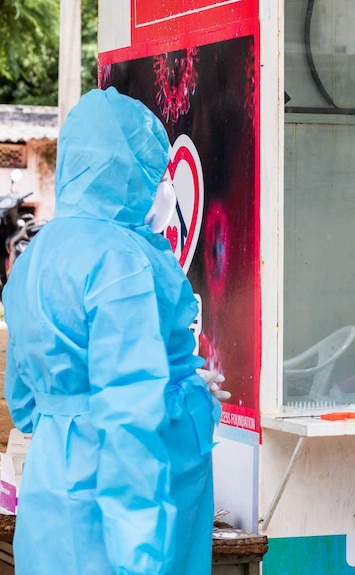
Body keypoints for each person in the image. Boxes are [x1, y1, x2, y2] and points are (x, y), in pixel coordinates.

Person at [3, 87, 227, 575]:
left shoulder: (34, 259)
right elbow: (129, 413)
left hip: (49, 498)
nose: (160, 187)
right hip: (116, 513)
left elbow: (24, 403)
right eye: (154, 172)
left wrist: (175, 381)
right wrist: (140, 554)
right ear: (133, 172)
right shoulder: (121, 261)